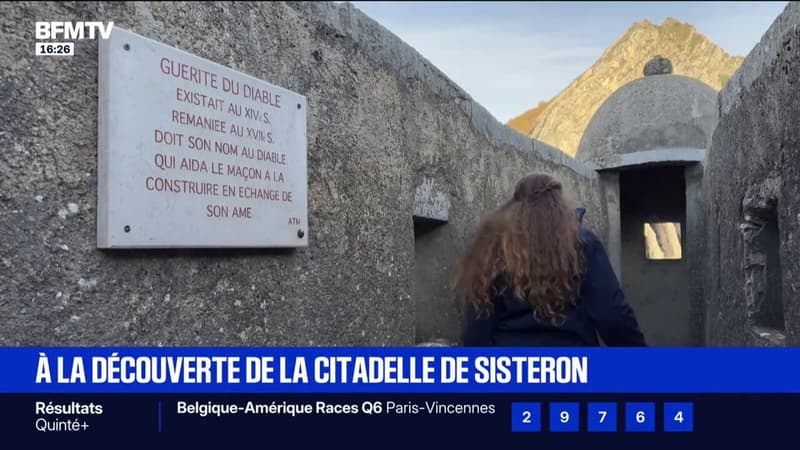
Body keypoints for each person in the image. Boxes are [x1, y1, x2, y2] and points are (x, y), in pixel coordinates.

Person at [453, 174, 646, 347]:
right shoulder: (582, 244)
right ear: (559, 206)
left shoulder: (492, 247)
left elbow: (477, 326)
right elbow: (613, 316)